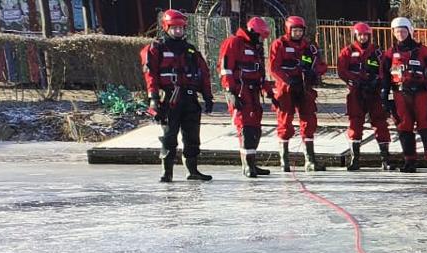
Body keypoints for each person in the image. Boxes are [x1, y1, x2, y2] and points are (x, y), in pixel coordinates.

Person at [139, 9, 214, 182]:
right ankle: (167, 173)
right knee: (169, 137)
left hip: (189, 100)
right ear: (166, 27)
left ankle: (193, 171)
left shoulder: (191, 51)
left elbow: (204, 74)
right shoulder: (156, 49)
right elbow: (150, 75)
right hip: (169, 101)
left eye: (181, 28)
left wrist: (208, 97)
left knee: (192, 138)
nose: (178, 31)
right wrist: (153, 100)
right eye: (175, 28)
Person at [384, 17, 427, 174]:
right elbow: (384, 77)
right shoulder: (389, 54)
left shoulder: (424, 52)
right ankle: (409, 161)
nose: (400, 34)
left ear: (409, 31)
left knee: (426, 126)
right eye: (397, 31)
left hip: (421, 93)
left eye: (403, 31)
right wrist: (384, 97)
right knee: (404, 127)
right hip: (400, 94)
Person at [219, 16, 273, 178]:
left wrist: (270, 93)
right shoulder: (234, 43)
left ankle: (252, 163)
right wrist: (230, 92)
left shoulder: (255, 48)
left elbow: (260, 74)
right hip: (240, 91)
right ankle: (247, 166)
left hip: (253, 91)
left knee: (255, 129)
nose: (262, 40)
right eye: (261, 36)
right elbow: (225, 69)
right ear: (253, 32)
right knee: (246, 128)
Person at [269, 15, 324, 171]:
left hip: (304, 88)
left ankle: (310, 160)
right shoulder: (279, 45)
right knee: (284, 122)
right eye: (295, 30)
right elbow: (274, 68)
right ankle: (284, 161)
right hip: (286, 89)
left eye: (300, 31)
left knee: (309, 121)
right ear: (288, 30)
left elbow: (321, 65)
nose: (298, 33)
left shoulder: (309, 47)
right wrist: (288, 80)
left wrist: (314, 73)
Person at [336, 21, 392, 171]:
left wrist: (376, 81)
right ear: (356, 35)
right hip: (356, 92)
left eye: (365, 35)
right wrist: (355, 81)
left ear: (369, 36)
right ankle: (355, 159)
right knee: (355, 123)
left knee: (380, 123)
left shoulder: (378, 52)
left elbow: (383, 70)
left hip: (374, 93)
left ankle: (385, 159)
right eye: (360, 35)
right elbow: (341, 70)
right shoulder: (347, 51)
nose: (363, 38)